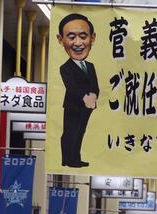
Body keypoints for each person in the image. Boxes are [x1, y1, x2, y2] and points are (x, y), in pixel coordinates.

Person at [56, 13, 98, 168]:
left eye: (83, 36)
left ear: (92, 38)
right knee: (69, 132)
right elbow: (71, 87)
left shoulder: (91, 67)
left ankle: (76, 158)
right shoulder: (65, 67)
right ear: (61, 40)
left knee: (80, 132)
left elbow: (95, 85)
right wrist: (85, 98)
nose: (78, 43)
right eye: (71, 37)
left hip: (87, 107)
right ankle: (66, 159)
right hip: (72, 106)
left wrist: (93, 98)